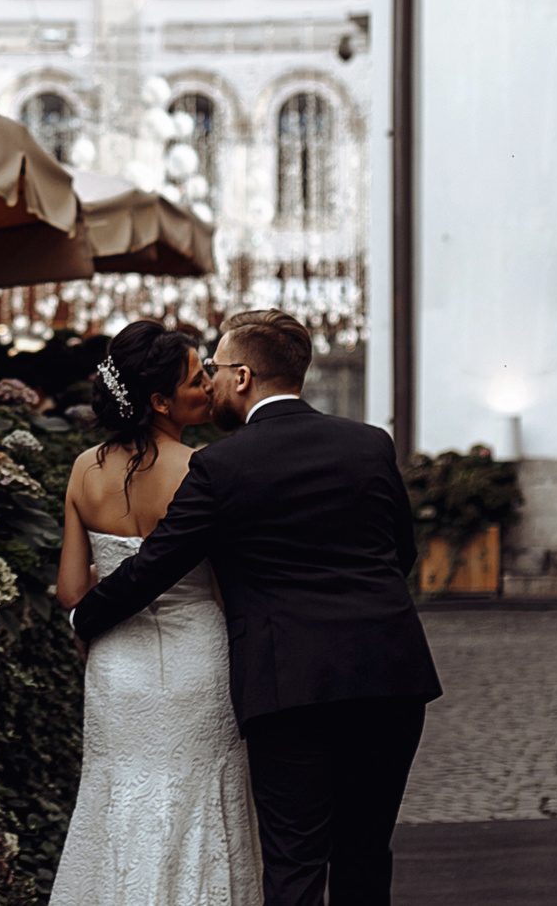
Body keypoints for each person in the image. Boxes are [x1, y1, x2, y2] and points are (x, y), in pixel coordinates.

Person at [68, 309, 441, 906]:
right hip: (388, 675)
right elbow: (401, 552)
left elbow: (153, 568)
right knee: (365, 853)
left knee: (293, 863)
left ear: (242, 377)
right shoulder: (370, 443)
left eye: (212, 369)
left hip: (288, 684)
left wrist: (81, 618)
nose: (208, 382)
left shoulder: (221, 465)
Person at [48, 320, 261, 905]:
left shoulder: (84, 469)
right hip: (198, 657)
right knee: (200, 797)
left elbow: (71, 592)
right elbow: (226, 582)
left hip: (117, 664)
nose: (208, 388)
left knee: (117, 795)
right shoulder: (203, 468)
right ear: (159, 401)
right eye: (196, 380)